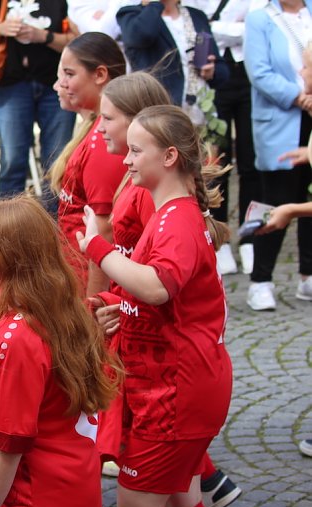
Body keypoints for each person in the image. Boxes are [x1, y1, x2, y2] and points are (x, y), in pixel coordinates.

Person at [78, 105, 233, 507]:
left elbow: (158, 285)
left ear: (169, 157)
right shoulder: (172, 215)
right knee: (182, 499)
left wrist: (96, 247)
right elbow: (161, 298)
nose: (125, 160)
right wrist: (121, 310)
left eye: (136, 150)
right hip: (177, 384)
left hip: (177, 391)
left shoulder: (176, 219)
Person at [0, 196, 118, 507]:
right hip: (48, 494)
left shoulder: (16, 336)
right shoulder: (52, 307)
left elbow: (11, 443)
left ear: (2, 256)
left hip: (36, 503)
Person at [244, 0, 312, 310]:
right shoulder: (260, 18)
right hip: (282, 119)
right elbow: (259, 71)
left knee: (309, 197)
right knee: (276, 198)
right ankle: (260, 280)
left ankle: (308, 275)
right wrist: (299, 97)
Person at [185, 0, 262, 276]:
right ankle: (221, 238)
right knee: (216, 162)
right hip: (211, 77)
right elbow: (196, 26)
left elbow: (256, 25)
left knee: (251, 161)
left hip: (248, 72)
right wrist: (236, 28)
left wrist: (221, 28)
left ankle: (250, 236)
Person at [49, 31, 128, 297]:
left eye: (69, 74)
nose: (58, 85)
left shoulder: (103, 141)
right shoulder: (95, 130)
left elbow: (103, 229)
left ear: (100, 75)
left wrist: (94, 304)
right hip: (78, 270)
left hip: (88, 276)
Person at [0, 0, 76, 200]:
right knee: (12, 160)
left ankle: (54, 225)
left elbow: (76, 40)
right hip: (12, 84)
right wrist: (3, 28)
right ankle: (8, 227)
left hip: (53, 86)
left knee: (57, 161)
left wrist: (43, 36)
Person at [116, 0, 229, 109]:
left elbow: (222, 71)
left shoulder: (196, 16)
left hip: (200, 111)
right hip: (159, 113)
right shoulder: (132, 15)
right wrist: (155, 4)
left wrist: (212, 71)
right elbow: (142, 36)